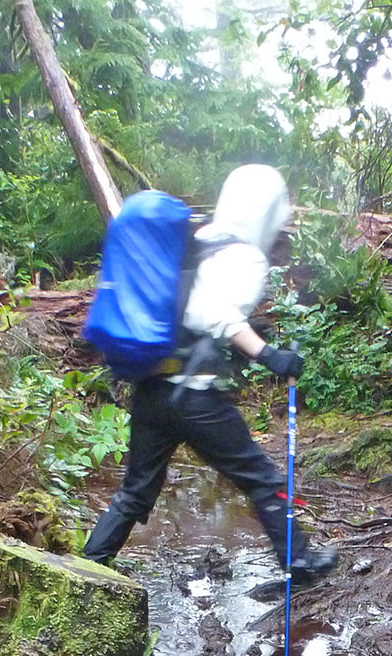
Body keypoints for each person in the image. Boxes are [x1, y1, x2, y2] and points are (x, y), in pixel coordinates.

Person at [83, 164, 339, 585]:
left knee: (135, 492)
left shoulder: (197, 239)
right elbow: (210, 313)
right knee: (263, 479)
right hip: (194, 396)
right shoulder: (242, 253)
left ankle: (89, 570)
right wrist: (269, 355)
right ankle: (299, 560)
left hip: (151, 391)